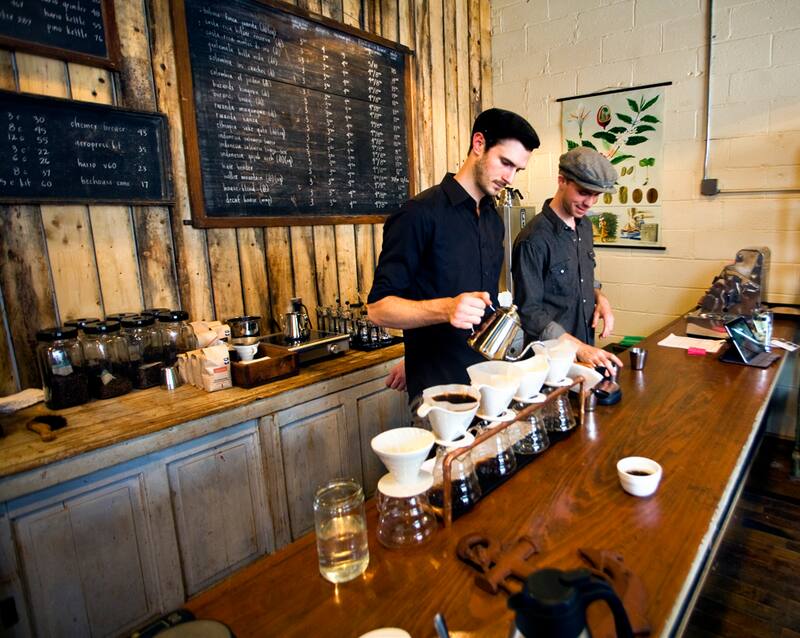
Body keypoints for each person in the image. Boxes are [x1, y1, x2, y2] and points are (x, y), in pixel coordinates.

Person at [367, 108, 540, 403]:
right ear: (478, 144)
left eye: (517, 170)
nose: (509, 177)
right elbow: (378, 309)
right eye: (505, 163)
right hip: (439, 390)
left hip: (487, 381)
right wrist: (446, 309)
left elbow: (475, 304)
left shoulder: (492, 220)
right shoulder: (418, 214)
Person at [512, 147, 623, 371]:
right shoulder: (533, 240)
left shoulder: (585, 227)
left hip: (584, 357)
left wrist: (599, 297)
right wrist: (577, 347)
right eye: (583, 192)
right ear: (562, 181)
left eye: (596, 195)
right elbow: (529, 312)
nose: (590, 202)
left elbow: (581, 278)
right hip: (547, 366)